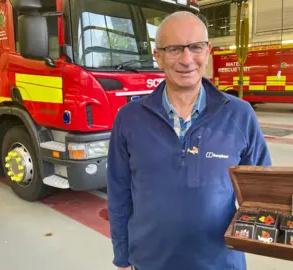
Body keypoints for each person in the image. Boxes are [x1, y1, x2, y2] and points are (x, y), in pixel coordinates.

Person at [106, 11, 271, 270]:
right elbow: (119, 194)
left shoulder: (240, 115)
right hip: (150, 263)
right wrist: (122, 257)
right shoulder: (129, 119)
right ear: (157, 56)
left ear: (208, 51)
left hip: (221, 264)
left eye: (195, 47)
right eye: (174, 49)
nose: (186, 59)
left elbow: (263, 192)